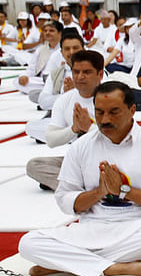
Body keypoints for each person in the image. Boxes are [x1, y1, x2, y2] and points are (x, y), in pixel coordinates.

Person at [17, 82, 141, 276]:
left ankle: (67, 264)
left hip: (139, 225)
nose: (105, 120)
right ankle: (113, 267)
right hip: (92, 227)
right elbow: (63, 199)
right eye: (99, 112)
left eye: (114, 112)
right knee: (28, 243)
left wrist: (123, 190)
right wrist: (99, 192)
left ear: (132, 110)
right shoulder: (81, 146)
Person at [25, 50, 105, 189]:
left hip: (110, 159)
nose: (80, 77)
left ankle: (71, 185)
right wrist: (74, 128)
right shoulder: (65, 99)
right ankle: (87, 186)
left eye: (86, 72)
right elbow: (51, 140)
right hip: (78, 161)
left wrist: (89, 128)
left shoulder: (111, 97)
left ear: (100, 74)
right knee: (34, 165)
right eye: (76, 72)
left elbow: (119, 139)